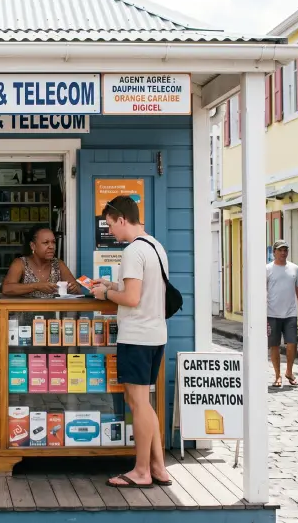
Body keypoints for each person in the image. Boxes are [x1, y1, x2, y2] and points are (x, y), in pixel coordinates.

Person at [89, 196, 171, 489]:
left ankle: (141, 471)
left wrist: (105, 295)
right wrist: (113, 285)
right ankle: (159, 468)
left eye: (111, 225)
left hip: (136, 336)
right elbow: (143, 291)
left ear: (122, 219)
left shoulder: (133, 251)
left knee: (137, 404)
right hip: (155, 334)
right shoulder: (155, 246)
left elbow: (132, 299)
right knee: (144, 404)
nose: (110, 231)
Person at [266, 240, 298, 388]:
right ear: (274, 252)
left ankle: (289, 371)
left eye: (285, 250)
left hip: (290, 314)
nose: (283, 253)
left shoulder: (295, 269)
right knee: (274, 345)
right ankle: (277, 375)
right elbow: (261, 291)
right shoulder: (267, 269)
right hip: (272, 314)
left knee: (292, 343)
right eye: (280, 250)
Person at [2, 225, 80, 298]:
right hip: (27, 311)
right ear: (33, 246)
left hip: (54, 312)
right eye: (46, 243)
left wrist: (73, 288)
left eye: (53, 242)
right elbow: (7, 289)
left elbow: (77, 289)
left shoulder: (58, 264)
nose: (51, 246)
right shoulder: (20, 263)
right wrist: (37, 286)